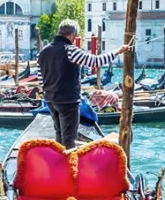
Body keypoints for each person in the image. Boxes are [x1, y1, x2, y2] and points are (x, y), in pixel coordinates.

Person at [38, 19, 130, 149]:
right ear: (72, 35)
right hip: (68, 100)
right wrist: (118, 51)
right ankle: (69, 166)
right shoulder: (70, 50)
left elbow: (41, 79)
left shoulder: (42, 52)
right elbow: (95, 61)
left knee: (59, 133)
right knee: (69, 137)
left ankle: (60, 162)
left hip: (50, 100)